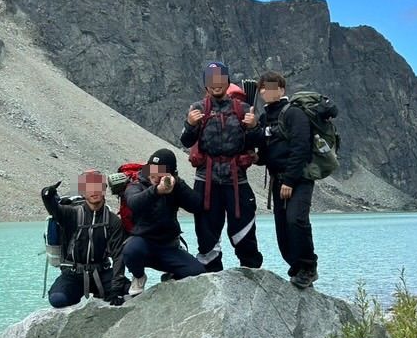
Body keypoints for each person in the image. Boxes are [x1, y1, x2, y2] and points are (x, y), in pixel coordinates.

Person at [180, 61, 263, 272]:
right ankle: (211, 272)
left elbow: (257, 142)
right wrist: (190, 124)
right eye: (211, 80)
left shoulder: (243, 109)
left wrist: (254, 127)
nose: (216, 84)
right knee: (206, 229)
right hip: (206, 179)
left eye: (220, 79)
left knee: (244, 226)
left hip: (237, 178)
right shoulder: (197, 109)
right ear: (205, 85)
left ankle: (251, 270)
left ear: (227, 82)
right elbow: (186, 141)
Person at [254, 71, 328, 289]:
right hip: (277, 180)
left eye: (271, 87)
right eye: (263, 88)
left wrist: (289, 181)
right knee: (283, 231)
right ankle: (297, 269)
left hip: (299, 179)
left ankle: (308, 268)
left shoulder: (294, 113)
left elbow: (301, 148)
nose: (267, 91)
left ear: (282, 89)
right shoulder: (264, 118)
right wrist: (256, 157)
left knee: (296, 220)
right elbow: (266, 152)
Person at [122, 148, 206, 296]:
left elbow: (197, 205)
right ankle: (139, 276)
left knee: (197, 272)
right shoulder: (136, 185)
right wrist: (157, 191)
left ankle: (172, 276)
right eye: (152, 170)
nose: (155, 175)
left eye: (160, 172)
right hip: (144, 245)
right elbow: (134, 203)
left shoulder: (175, 186)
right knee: (130, 251)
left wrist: (177, 184)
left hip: (169, 247)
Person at [41, 169, 128, 307]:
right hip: (73, 274)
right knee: (58, 299)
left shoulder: (113, 221)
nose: (94, 191)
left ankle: (105, 293)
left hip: (102, 272)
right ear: (82, 192)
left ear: (104, 189)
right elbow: (55, 211)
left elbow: (118, 256)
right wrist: (46, 195)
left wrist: (117, 288)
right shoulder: (71, 214)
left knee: (128, 291)